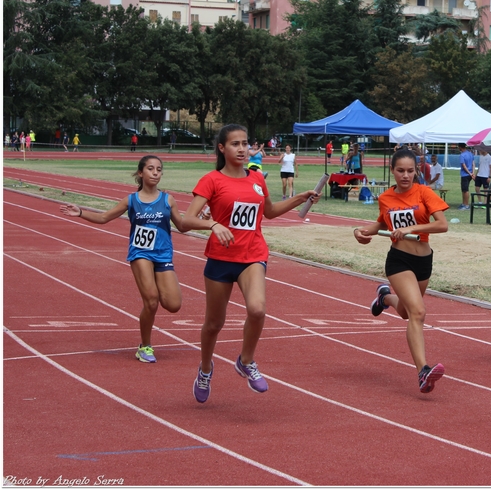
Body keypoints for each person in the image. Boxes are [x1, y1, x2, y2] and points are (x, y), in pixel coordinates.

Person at [180, 124, 318, 403]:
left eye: (245, 143)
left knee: (257, 310)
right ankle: (205, 368)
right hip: (221, 258)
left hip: (253, 254)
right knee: (213, 324)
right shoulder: (211, 180)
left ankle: (246, 360)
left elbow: (268, 212)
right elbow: (184, 221)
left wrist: (298, 199)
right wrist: (213, 224)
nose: (242, 149)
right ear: (222, 148)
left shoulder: (256, 177)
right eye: (235, 144)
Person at [60, 155, 187, 363]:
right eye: (151, 169)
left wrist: (205, 222)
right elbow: (104, 218)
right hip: (140, 253)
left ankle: (154, 296)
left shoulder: (168, 199)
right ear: (140, 173)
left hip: (163, 254)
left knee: (173, 304)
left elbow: (181, 225)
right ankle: (145, 346)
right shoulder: (131, 200)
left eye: (159, 169)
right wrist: (81, 212)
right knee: (152, 300)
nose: (155, 173)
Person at [353, 149, 449, 393]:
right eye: (400, 170)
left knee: (407, 313)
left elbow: (442, 225)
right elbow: (382, 223)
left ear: (416, 170)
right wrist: (361, 231)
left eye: (410, 170)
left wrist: (410, 228)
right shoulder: (386, 198)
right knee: (418, 312)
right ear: (392, 171)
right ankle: (423, 371)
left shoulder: (424, 192)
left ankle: (384, 297)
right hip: (399, 261)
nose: (405, 175)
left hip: (424, 261)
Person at [457, 143, 474, 210]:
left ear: (460, 147)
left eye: (458, 147)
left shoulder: (462, 155)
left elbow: (464, 166)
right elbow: (473, 164)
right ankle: (464, 203)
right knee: (464, 190)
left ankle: (466, 205)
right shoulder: (470, 154)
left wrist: (470, 173)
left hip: (465, 174)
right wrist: (473, 173)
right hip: (469, 174)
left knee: (465, 190)